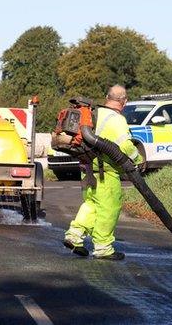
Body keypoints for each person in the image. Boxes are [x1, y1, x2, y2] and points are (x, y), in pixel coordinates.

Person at [63, 85, 143, 260]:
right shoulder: (117, 120)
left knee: (91, 204)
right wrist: (138, 159)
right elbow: (126, 146)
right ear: (124, 101)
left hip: (87, 169)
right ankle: (103, 248)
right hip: (105, 173)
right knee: (108, 209)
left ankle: (74, 236)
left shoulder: (95, 113)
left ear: (107, 97)